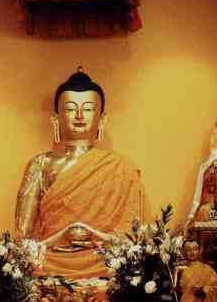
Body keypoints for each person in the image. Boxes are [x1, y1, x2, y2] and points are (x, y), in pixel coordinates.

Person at [15, 67, 151, 279]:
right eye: (70, 109)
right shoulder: (40, 164)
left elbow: (134, 237)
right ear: (56, 119)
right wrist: (58, 239)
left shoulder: (120, 167)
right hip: (52, 261)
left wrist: (97, 237)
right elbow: (23, 236)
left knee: (125, 270)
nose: (79, 116)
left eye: (88, 109)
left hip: (103, 262)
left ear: (102, 119)